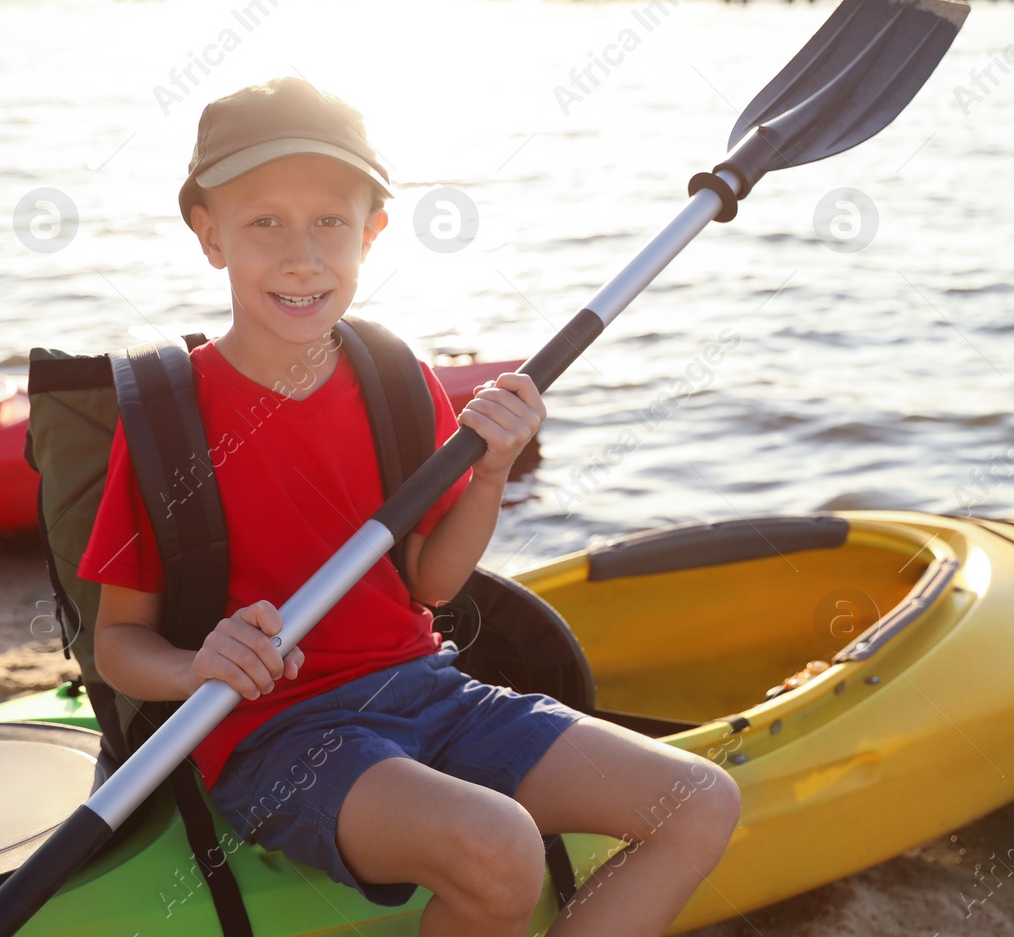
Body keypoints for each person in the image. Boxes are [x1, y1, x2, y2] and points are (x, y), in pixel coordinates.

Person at [79, 76, 740, 936]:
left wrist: (493, 469)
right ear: (210, 235)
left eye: (329, 222)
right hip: (274, 733)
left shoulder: (394, 377)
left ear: (373, 231)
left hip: (427, 688)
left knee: (698, 801)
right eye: (264, 221)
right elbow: (119, 644)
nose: (302, 256)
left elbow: (430, 583)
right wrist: (197, 666)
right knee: (499, 842)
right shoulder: (169, 416)